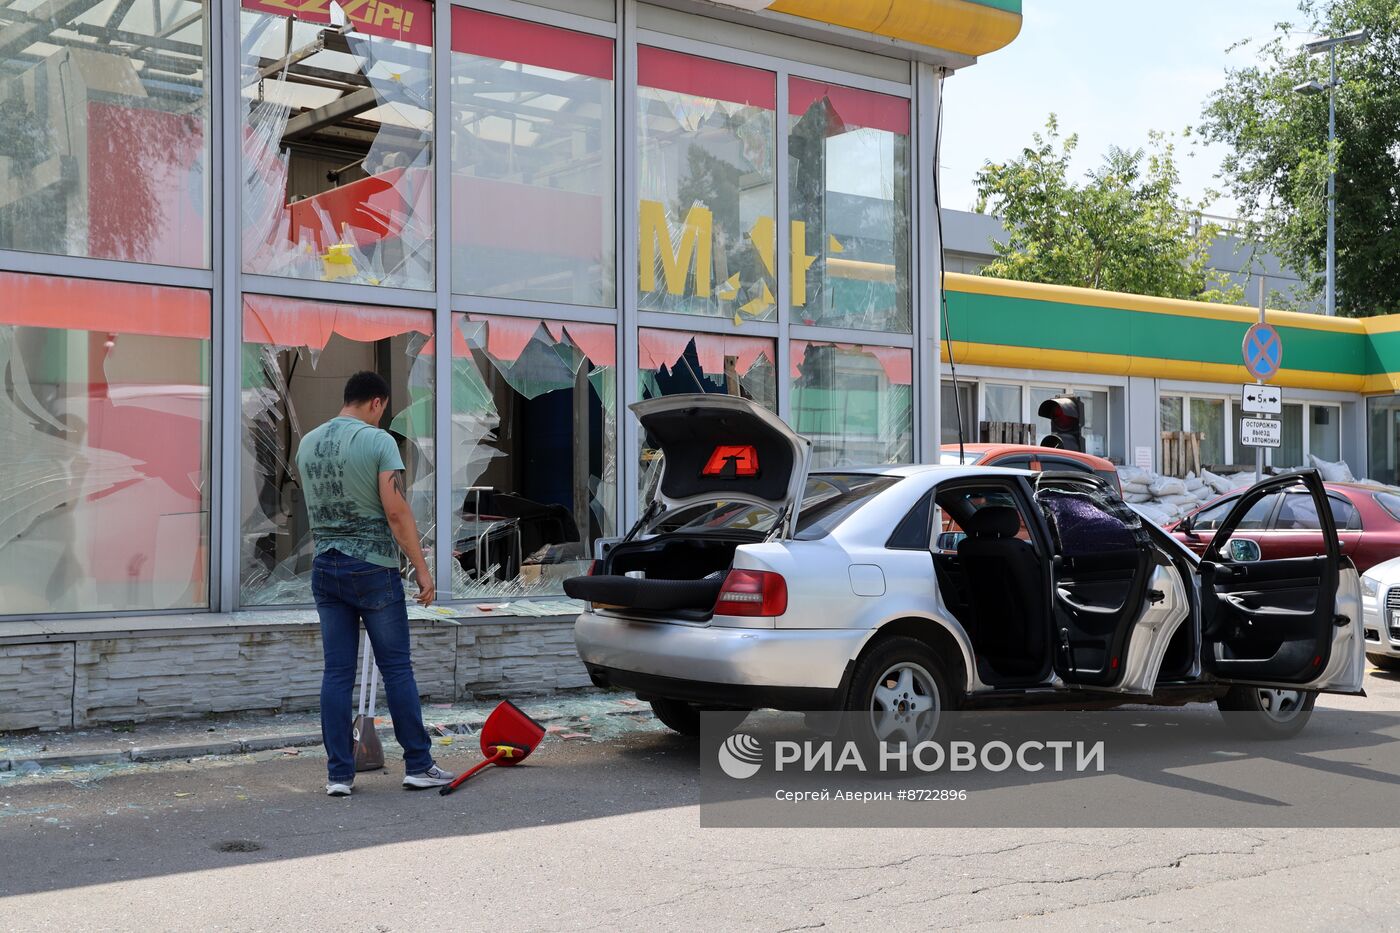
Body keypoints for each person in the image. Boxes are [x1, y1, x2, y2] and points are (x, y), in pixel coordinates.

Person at [296, 371, 455, 797]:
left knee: (336, 673)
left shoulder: (308, 443)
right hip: (372, 568)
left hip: (325, 567)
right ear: (378, 403)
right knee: (397, 669)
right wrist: (422, 569)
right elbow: (397, 513)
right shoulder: (377, 441)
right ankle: (419, 765)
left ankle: (338, 775)